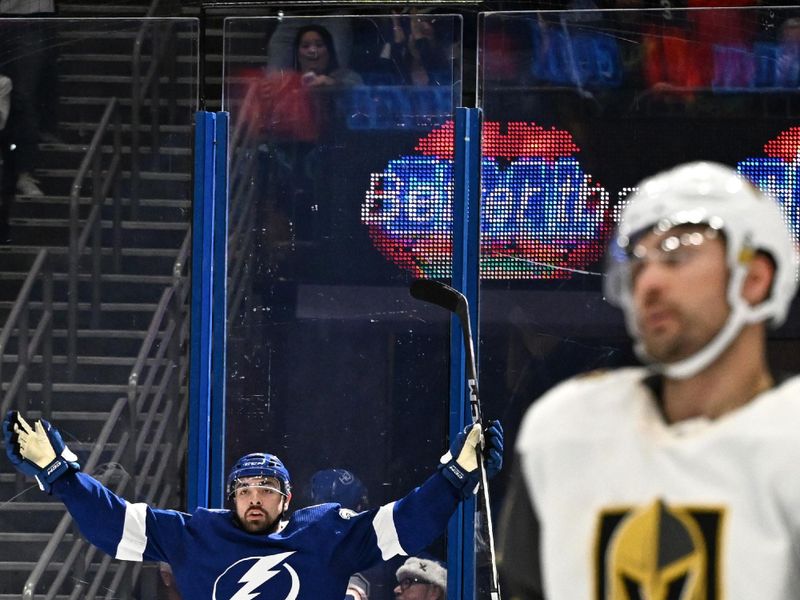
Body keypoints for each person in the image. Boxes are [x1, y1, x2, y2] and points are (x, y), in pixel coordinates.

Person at [498, 161, 800, 599]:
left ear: (754, 278)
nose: (650, 281)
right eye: (638, 263)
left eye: (676, 256)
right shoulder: (567, 431)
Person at [2, 411, 503, 599]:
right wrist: (61, 474)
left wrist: (455, 476)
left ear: (286, 498)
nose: (254, 497)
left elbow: (403, 522)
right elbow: (113, 524)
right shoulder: (196, 534)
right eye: (244, 489)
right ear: (232, 498)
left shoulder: (324, 533)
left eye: (266, 488)